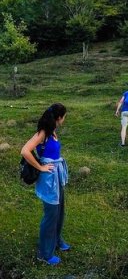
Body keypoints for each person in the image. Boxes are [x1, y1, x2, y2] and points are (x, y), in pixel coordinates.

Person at [20, 103, 69, 266]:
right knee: (50, 215)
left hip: (57, 177)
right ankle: (44, 253)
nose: (65, 119)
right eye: (64, 116)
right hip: (49, 179)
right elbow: (25, 150)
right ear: (59, 117)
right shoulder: (43, 133)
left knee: (60, 211)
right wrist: (40, 166)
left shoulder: (52, 131)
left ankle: (56, 240)